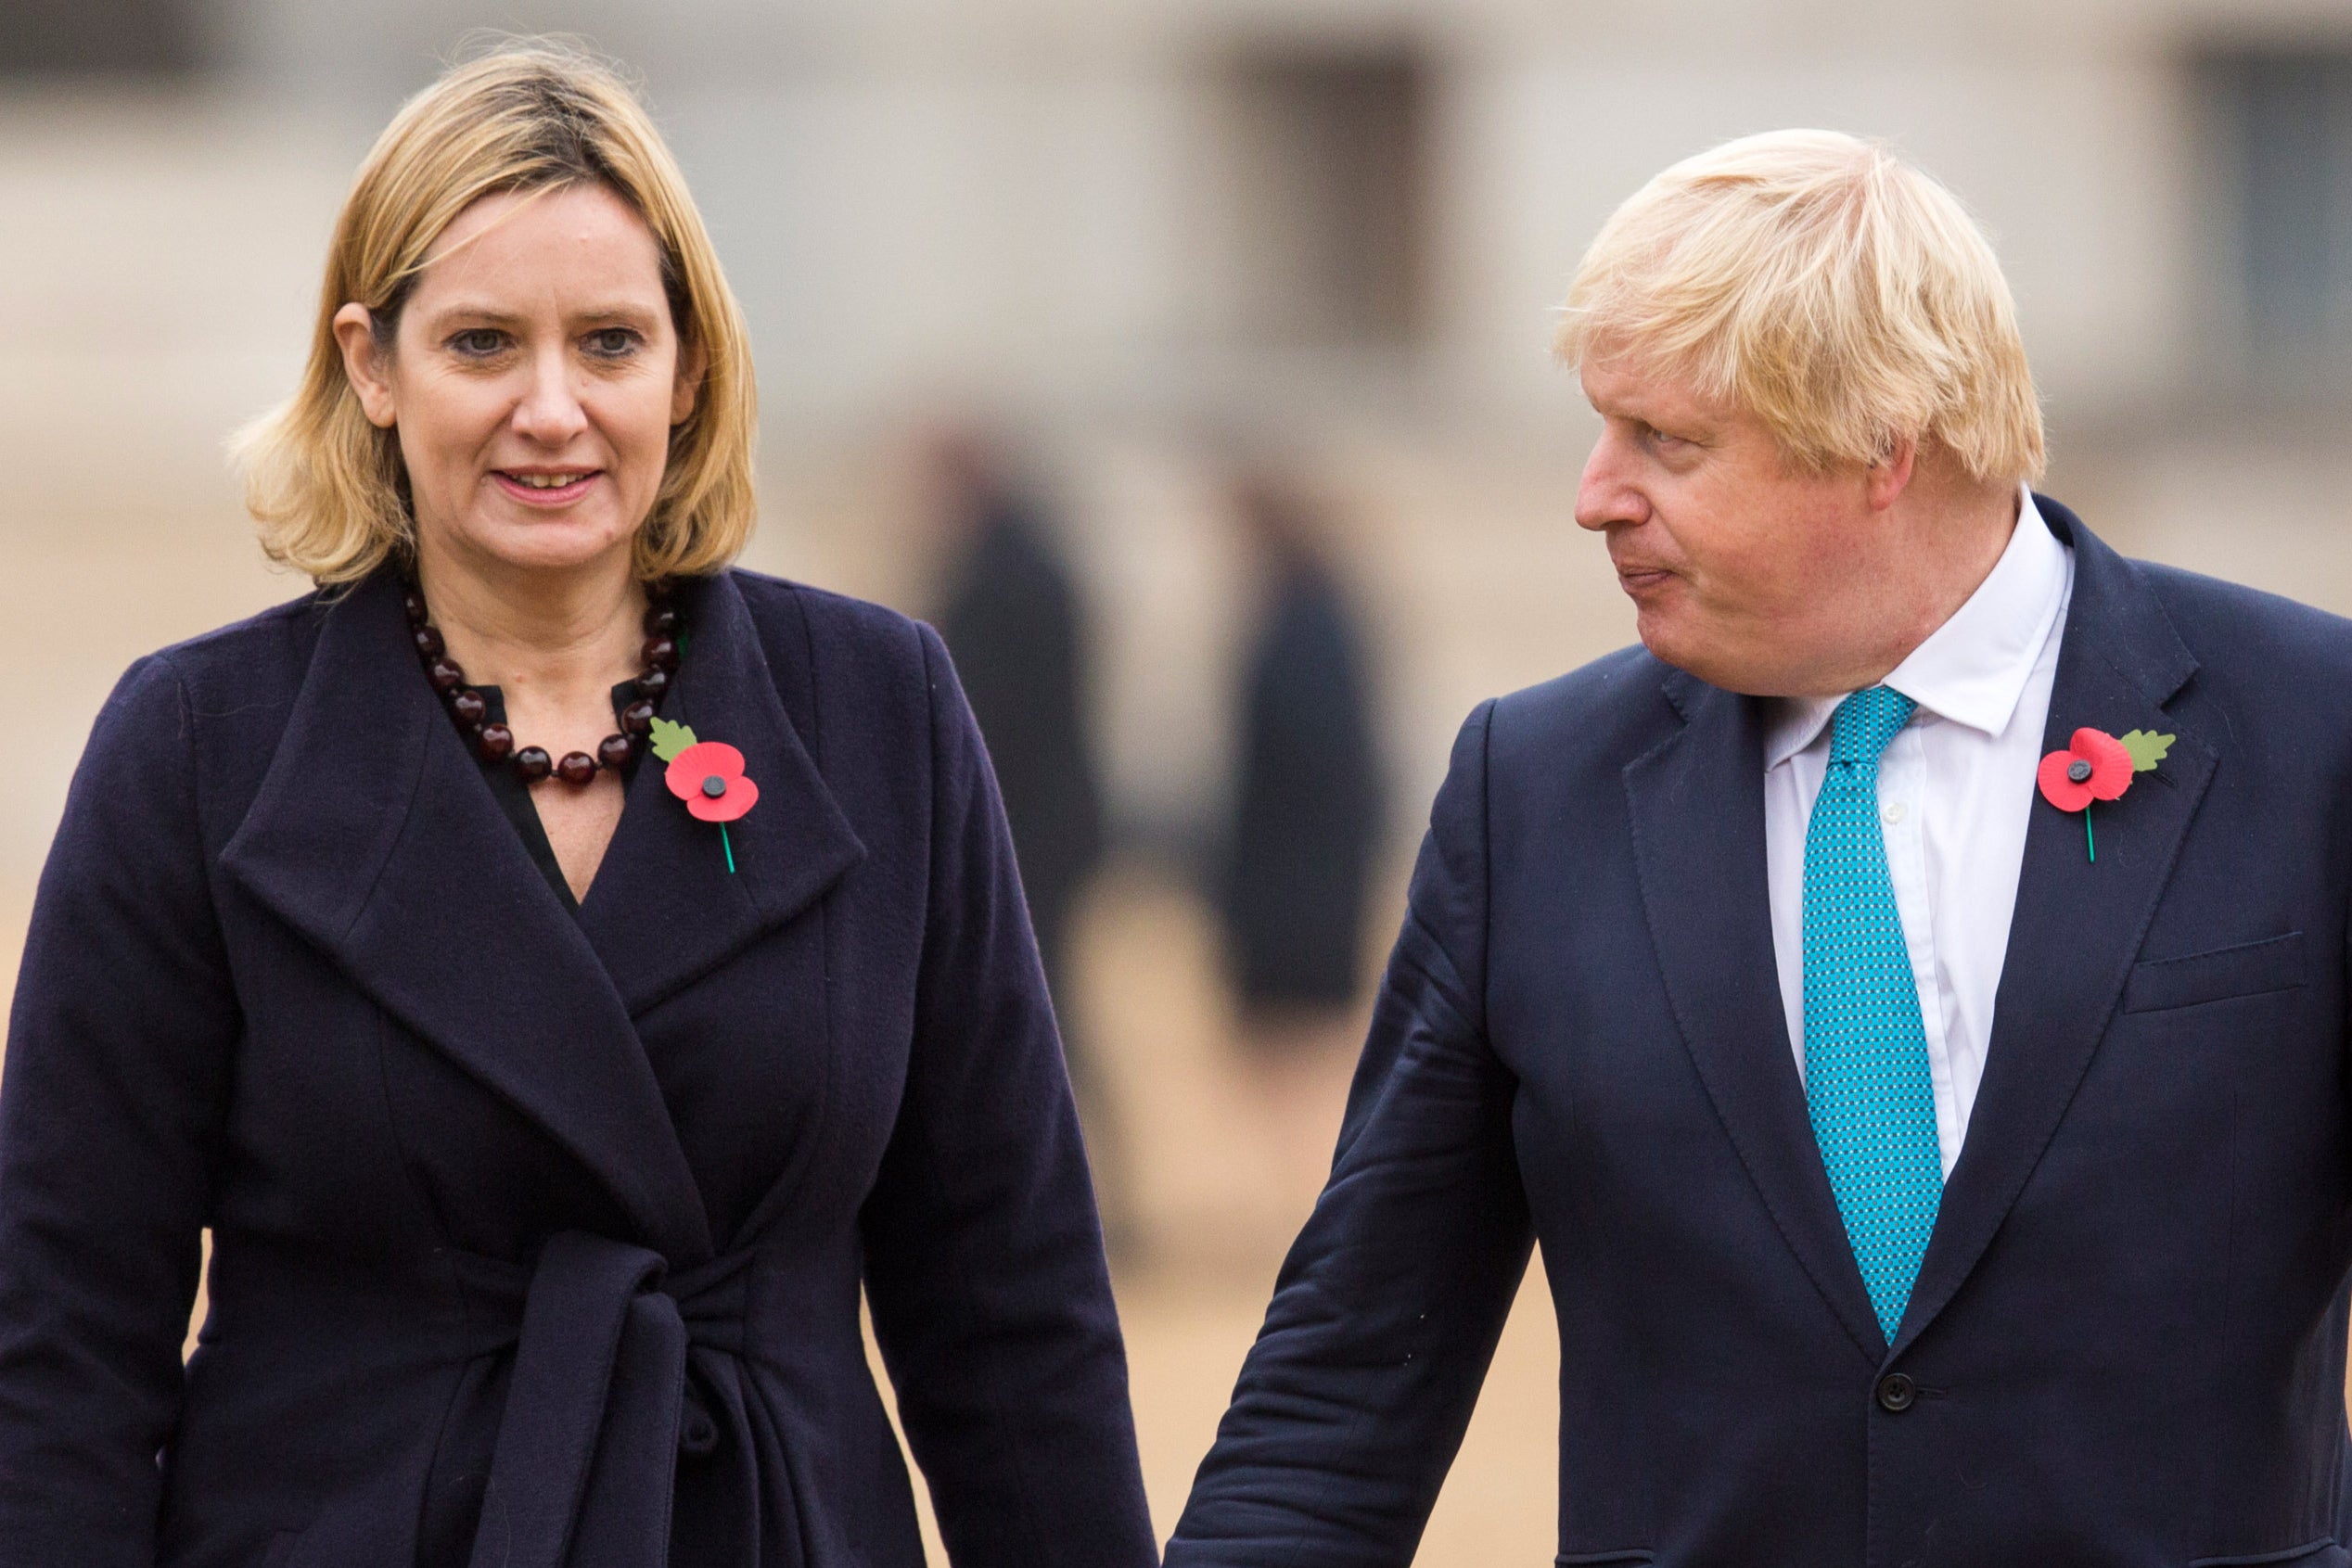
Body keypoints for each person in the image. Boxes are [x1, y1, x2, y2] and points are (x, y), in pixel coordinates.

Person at [0, 45, 1156, 1568]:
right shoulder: (197, 744)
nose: (552, 410)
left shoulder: (883, 709)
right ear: (371, 363)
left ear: (687, 369)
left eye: (608, 342)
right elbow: (68, 1335)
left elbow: (1010, 1312)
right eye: (482, 343)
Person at [1170, 129, 2352, 1564]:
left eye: (1666, 441)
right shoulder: (1527, 790)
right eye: (1603, 429)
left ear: (1882, 449)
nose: (1595, 493)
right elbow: (1346, 1381)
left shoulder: (2310, 735)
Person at [925, 431, 1123, 1241]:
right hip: (1051, 823)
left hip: (1021, 826)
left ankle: (1070, 1197)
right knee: (1051, 1011)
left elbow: (983, 709)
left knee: (1041, 1015)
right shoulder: (1042, 565)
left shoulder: (998, 577)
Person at [1214, 469, 1385, 1199]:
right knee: (1285, 1039)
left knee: (1299, 1038)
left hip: (1297, 867)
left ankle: (1326, 1188)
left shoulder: (1306, 621)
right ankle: (1313, 1188)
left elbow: (1315, 756)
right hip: (1295, 863)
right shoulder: (1310, 611)